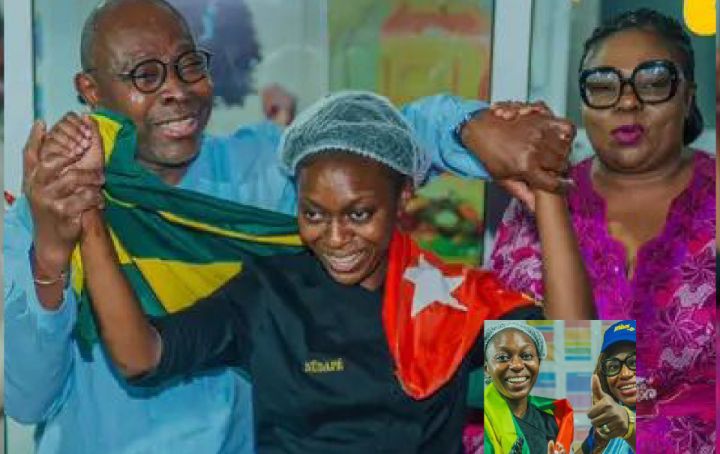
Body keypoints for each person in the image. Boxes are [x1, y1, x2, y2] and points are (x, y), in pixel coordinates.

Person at [4, 1, 580, 452]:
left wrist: (487, 137)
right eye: (144, 75)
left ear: (403, 193)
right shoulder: (267, 297)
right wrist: (62, 244)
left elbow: (571, 409)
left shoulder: (446, 303)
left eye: (188, 64)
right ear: (91, 90)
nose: (175, 89)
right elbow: (56, 390)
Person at [488, 9, 716, 452]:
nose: (627, 102)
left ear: (688, 97)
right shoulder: (534, 211)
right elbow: (536, 412)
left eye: (654, 81)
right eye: (603, 85)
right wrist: (548, 187)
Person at [483, 321, 573, 454]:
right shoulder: (477, 423)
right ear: (486, 369)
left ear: (538, 363)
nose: (517, 365)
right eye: (503, 357)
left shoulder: (552, 420)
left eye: (527, 356)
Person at [578, 320, 636, 454]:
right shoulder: (608, 423)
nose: (625, 374)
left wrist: (629, 425)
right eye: (613, 366)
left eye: (634, 362)